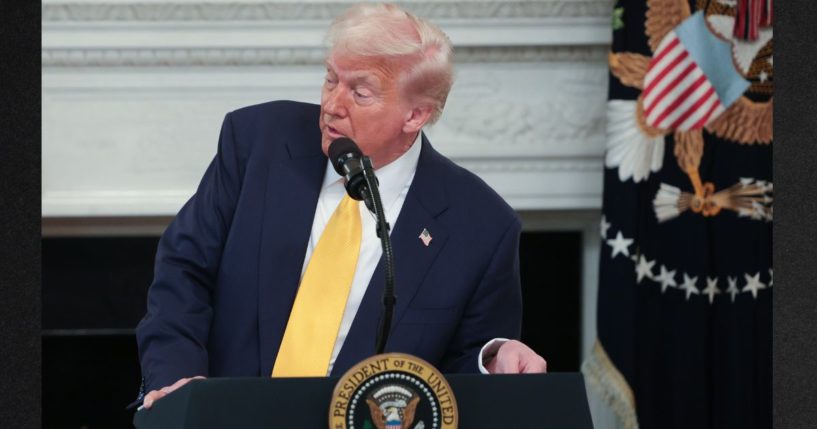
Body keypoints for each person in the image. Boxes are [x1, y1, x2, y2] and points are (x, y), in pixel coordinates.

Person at [136, 2, 546, 409]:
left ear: (415, 115)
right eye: (331, 79)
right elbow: (183, 271)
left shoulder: (481, 226)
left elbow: (458, 374)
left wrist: (491, 361)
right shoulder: (257, 143)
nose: (332, 104)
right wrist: (179, 383)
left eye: (360, 92)